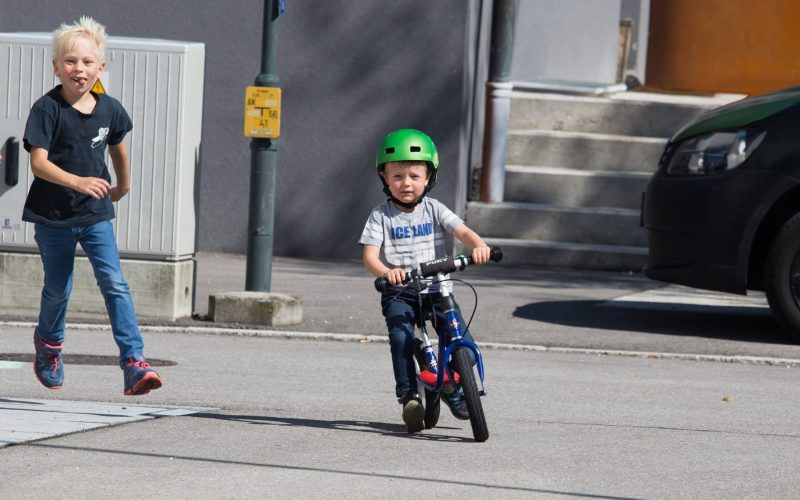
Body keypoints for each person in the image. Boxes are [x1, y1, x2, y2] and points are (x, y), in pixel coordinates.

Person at [23, 16, 162, 396]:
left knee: (115, 284)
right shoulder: (47, 109)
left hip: (95, 216)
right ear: (56, 66)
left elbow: (117, 145)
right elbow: (38, 162)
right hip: (52, 218)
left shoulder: (110, 109)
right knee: (58, 289)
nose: (78, 69)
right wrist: (78, 181)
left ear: (100, 66)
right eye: (70, 62)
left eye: (87, 62)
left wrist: (124, 186)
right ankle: (49, 346)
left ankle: (134, 362)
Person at [359, 128, 491, 433]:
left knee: (464, 346)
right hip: (400, 292)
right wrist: (386, 272)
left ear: (429, 177)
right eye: (397, 176)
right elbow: (370, 257)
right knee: (402, 338)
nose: (406, 183)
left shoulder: (434, 209)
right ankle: (409, 397)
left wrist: (479, 246)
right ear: (384, 178)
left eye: (415, 176)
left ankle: (453, 387)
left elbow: (461, 231)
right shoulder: (381, 216)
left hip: (438, 288)